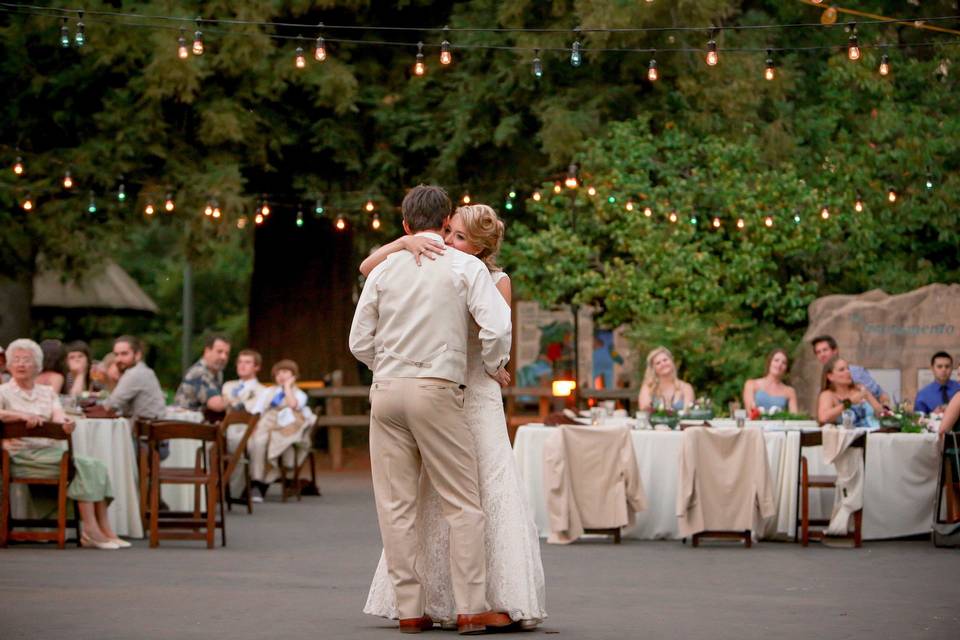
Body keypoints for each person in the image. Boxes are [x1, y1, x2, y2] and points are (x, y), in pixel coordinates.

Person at [361, 202, 546, 631]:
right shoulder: (433, 263)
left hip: (469, 391)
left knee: (483, 491)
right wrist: (404, 242)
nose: (448, 241)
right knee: (447, 500)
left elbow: (498, 331)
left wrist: (490, 364)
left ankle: (491, 595)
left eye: (459, 237)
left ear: (481, 248)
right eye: (450, 233)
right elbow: (368, 267)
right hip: (440, 390)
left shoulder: (484, 276)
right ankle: (460, 603)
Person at [0, 339, 126, 550]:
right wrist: (20, 415)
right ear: (10, 365)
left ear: (37, 365)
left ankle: (104, 529)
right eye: (17, 360)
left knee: (96, 465)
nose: (21, 364)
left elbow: (59, 415)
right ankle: (91, 530)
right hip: (20, 455)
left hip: (50, 452)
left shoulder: (46, 392)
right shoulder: (2, 391)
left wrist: (65, 423)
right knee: (85, 466)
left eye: (27, 360)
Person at [246, 359, 315, 502]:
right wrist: (254, 426)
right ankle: (256, 481)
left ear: (293, 375)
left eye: (285, 372)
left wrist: (287, 387)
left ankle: (264, 483)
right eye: (278, 373)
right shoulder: (268, 391)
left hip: (286, 426)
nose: (281, 375)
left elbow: (293, 405)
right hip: (267, 422)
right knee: (258, 443)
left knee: (279, 445)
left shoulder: (299, 394)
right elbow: (258, 410)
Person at [811, 335, 891, 408]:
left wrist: (885, 412)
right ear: (830, 376)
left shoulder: (856, 372)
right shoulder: (823, 379)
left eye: (825, 350)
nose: (822, 354)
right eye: (818, 352)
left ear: (835, 351)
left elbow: (880, 395)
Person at [99, 336, 166, 421]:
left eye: (124, 354)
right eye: (116, 354)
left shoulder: (135, 373)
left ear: (137, 355)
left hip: (145, 431)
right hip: (148, 428)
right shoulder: (143, 370)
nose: (119, 359)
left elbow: (111, 405)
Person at [817, 356, 882, 428]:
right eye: (842, 370)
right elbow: (823, 417)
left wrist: (868, 395)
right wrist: (849, 402)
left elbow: (881, 413)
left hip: (873, 433)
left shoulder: (859, 389)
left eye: (848, 368)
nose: (848, 372)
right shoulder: (828, 394)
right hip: (851, 437)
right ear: (830, 376)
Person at [174, 334, 230, 412]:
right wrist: (238, 397)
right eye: (219, 352)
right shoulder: (199, 372)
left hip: (200, 421)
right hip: (184, 421)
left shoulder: (218, 373)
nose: (224, 357)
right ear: (207, 351)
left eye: (227, 353)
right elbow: (216, 404)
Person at [742, 348, 799, 414]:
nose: (779, 364)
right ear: (769, 362)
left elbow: (794, 417)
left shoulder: (790, 391)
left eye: (784, 363)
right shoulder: (751, 384)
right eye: (776, 360)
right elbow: (749, 411)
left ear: (786, 368)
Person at [638, 346, 695, 412]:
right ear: (654, 369)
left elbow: (688, 413)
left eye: (665, 360)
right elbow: (644, 411)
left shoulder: (686, 388)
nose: (663, 364)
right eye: (658, 363)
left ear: (671, 361)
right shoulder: (648, 388)